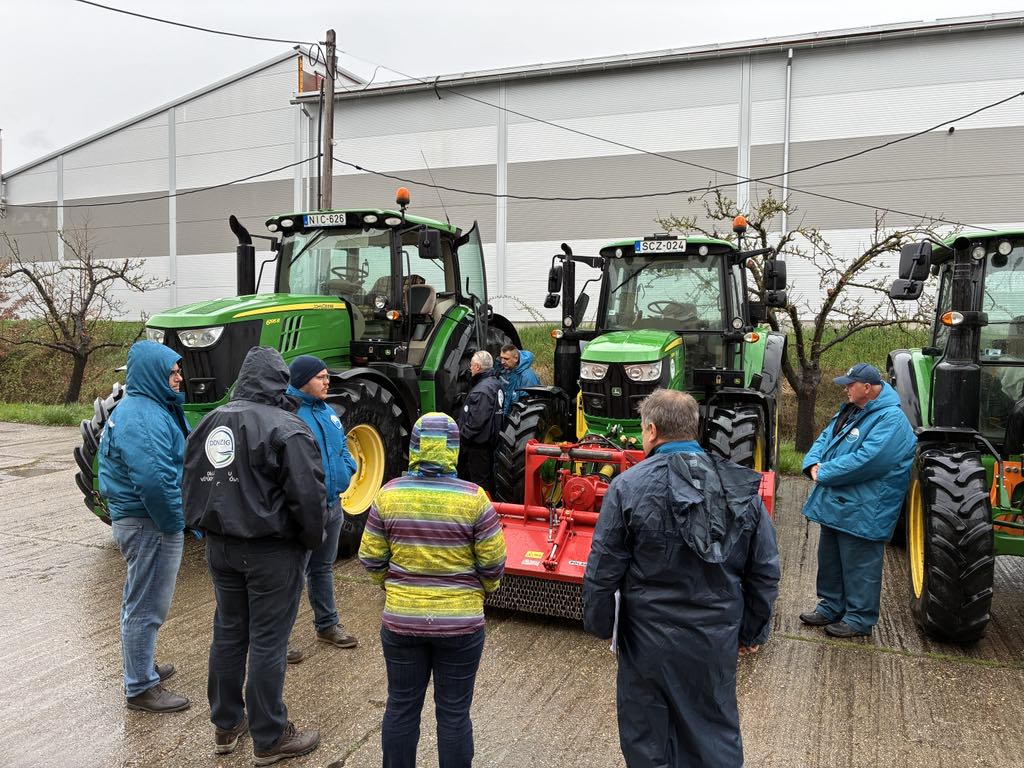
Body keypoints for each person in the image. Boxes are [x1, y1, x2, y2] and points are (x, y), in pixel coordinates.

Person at [582, 389, 780, 768]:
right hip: (714, 640)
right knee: (712, 728)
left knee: (648, 735)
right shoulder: (740, 489)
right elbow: (765, 570)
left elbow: (602, 570)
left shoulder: (627, 487)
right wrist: (751, 632)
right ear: (694, 428)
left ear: (652, 430)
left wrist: (602, 625)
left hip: (647, 641)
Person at [183, 347, 328, 764]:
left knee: (229, 632)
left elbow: (189, 478)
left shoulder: (210, 421)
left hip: (220, 546)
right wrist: (310, 539)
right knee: (268, 640)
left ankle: (226, 724)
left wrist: (202, 526)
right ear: (279, 381)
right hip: (270, 550)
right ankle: (269, 737)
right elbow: (308, 495)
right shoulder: (287, 426)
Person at [359, 412, 506, 768]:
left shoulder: (388, 495)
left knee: (401, 706)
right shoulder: (475, 499)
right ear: (453, 449)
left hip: (402, 621)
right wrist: (479, 592)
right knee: (454, 713)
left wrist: (392, 587)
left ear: (414, 447)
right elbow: (493, 563)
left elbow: (371, 556)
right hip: (461, 625)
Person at [99, 339, 191, 713]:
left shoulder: (143, 407)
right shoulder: (143, 416)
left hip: (140, 520)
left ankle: (142, 665)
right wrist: (176, 523)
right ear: (153, 373)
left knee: (139, 599)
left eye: (179, 371)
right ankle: (140, 686)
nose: (179, 378)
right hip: (149, 522)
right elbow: (154, 481)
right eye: (172, 372)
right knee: (147, 605)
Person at [799, 362, 916, 639]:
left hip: (865, 508)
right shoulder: (852, 410)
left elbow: (869, 460)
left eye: (850, 385)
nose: (845, 389)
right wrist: (812, 463)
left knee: (860, 565)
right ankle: (831, 607)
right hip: (838, 503)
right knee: (830, 560)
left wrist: (824, 472)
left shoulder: (891, 420)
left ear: (867, 387)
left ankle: (859, 618)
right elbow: (825, 438)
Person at [286, 355, 359, 657]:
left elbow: (342, 448)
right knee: (292, 575)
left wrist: (348, 469)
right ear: (303, 379)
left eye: (327, 376)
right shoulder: (289, 414)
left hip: (333, 505)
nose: (327, 382)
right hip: (306, 510)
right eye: (321, 377)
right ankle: (279, 638)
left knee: (323, 568)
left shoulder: (328, 412)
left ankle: (327, 625)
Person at [456, 350, 505, 496]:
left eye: (471, 365)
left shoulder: (481, 391)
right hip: (491, 443)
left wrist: (461, 436)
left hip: (477, 445)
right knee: (488, 479)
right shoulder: (496, 384)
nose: (470, 368)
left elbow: (477, 422)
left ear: (477, 367)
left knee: (479, 483)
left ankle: (482, 508)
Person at [498, 344, 540, 415]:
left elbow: (527, 408)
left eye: (506, 359)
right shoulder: (506, 370)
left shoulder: (528, 377)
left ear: (516, 358)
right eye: (501, 358)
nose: (502, 362)